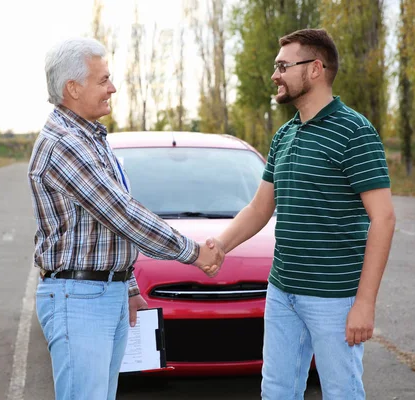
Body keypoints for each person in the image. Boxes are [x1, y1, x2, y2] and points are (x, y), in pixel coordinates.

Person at [27, 37, 223, 400]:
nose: (112, 88)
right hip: (80, 298)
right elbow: (123, 214)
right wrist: (195, 253)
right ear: (72, 87)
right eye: (103, 80)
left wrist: (128, 286)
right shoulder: (65, 143)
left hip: (102, 292)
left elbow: (104, 229)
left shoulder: (90, 137)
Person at [207, 29, 396, 399]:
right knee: (277, 390)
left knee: (341, 392)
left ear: (315, 69)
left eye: (282, 66)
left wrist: (365, 303)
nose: (275, 75)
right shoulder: (285, 135)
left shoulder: (354, 131)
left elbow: (384, 218)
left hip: (333, 299)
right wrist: (218, 246)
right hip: (282, 292)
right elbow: (260, 207)